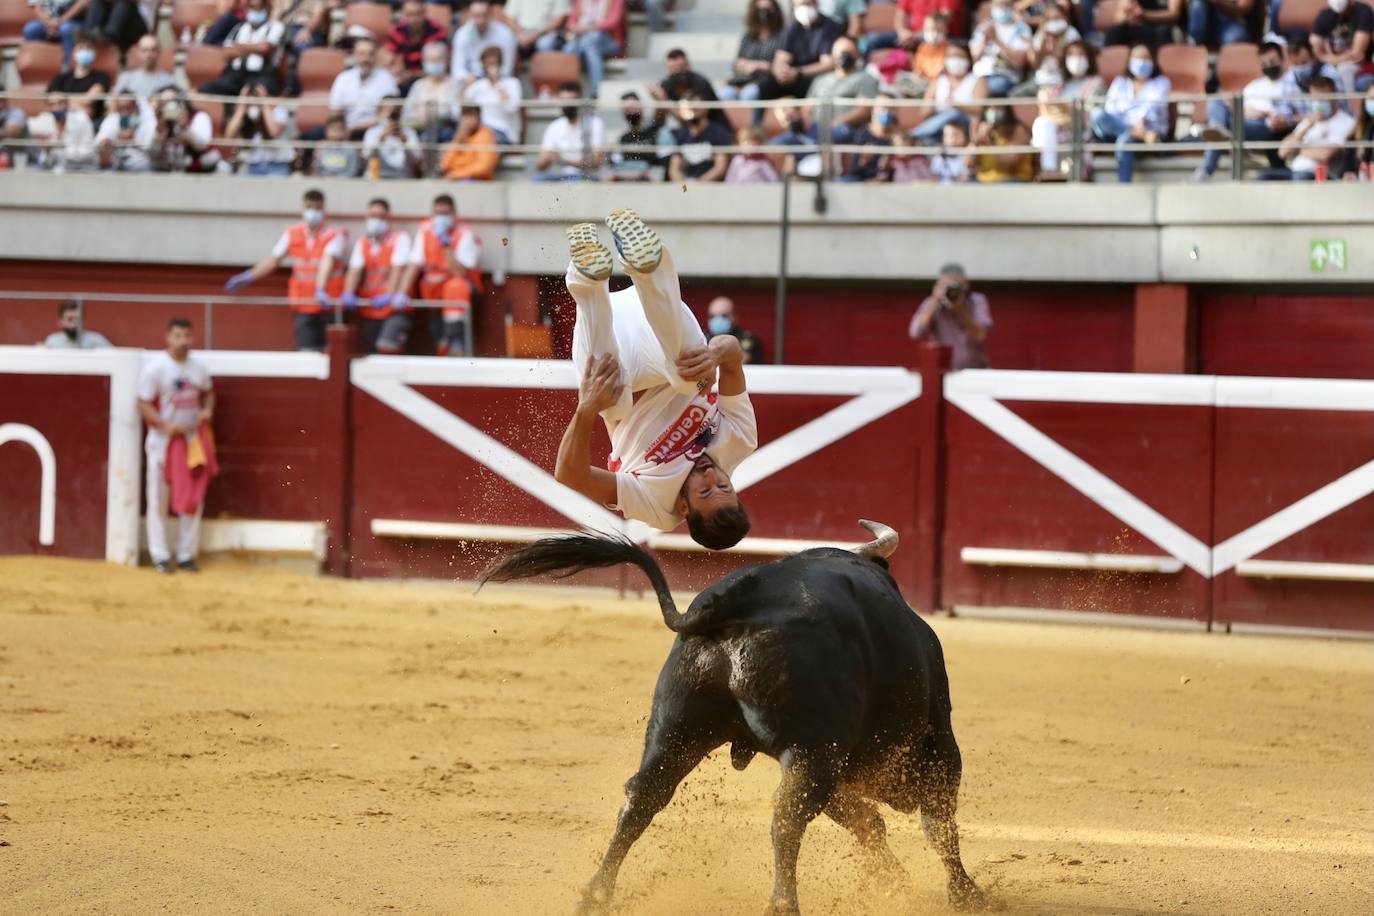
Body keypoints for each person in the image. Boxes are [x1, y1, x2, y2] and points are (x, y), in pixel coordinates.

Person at [555, 210, 756, 548]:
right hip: (657, 328)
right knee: (689, 377)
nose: (712, 476)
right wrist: (715, 355)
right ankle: (645, 265)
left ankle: (587, 278)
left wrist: (586, 409)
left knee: (612, 398)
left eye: (706, 491)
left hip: (613, 349)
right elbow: (732, 350)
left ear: (683, 507)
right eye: (725, 486)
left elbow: (569, 476)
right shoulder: (741, 441)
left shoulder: (655, 506)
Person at [222, 188, 348, 352]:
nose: (313, 212)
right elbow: (274, 260)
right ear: (303, 209)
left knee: (332, 354)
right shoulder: (293, 233)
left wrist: (320, 288)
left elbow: (327, 261)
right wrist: (248, 276)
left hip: (329, 303)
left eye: (317, 208)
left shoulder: (334, 235)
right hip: (304, 305)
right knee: (306, 353)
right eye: (309, 207)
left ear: (323, 209)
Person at [137, 317, 215, 575]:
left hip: (191, 441)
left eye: (187, 336)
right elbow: (143, 403)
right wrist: (164, 425)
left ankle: (185, 554)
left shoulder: (199, 368)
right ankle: (160, 555)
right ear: (167, 338)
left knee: (192, 497)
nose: (183, 342)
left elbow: (209, 392)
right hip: (163, 441)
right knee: (159, 498)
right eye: (178, 336)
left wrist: (207, 411)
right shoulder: (156, 368)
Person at [1192, 41, 1292, 179]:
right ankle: (1218, 128)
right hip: (1242, 120)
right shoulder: (1256, 85)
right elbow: (1239, 107)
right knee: (1217, 102)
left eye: (1272, 61)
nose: (1269, 66)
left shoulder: (1290, 82)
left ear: (1282, 60)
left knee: (1223, 130)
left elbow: (1283, 116)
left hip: (1265, 127)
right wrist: (1238, 107)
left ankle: (1206, 170)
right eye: (1265, 63)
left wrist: (1260, 113)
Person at [401, 193, 483, 357]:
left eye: (445, 214)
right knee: (438, 334)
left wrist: (446, 245)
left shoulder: (465, 234)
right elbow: (414, 264)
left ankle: (456, 341)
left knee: (455, 287)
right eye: (438, 214)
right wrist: (400, 293)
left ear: (454, 214)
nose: (441, 218)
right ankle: (444, 345)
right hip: (434, 292)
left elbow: (459, 273)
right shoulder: (425, 230)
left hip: (460, 293)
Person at [342, 198, 413, 354]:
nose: (376, 221)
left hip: (394, 308)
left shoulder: (399, 239)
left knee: (387, 347)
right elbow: (354, 271)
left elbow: (398, 269)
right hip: (371, 309)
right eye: (373, 216)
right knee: (369, 354)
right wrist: (348, 292)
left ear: (389, 219)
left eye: (381, 217)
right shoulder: (363, 243)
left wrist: (390, 294)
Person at [1091, 42, 1169, 183]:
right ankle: (1140, 135)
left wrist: (1141, 122)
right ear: (1129, 61)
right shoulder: (1120, 82)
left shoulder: (1162, 82)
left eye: (1145, 58)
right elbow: (1110, 110)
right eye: (1137, 58)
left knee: (1125, 140)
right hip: (1126, 132)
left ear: (1153, 61)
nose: (1141, 62)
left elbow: (1154, 107)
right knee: (1097, 114)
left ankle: (1124, 189)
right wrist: (1137, 131)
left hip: (1148, 130)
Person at [1030, 40, 1102, 174]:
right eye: (1071, 55)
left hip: (1080, 130)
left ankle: (1050, 169)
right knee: (1042, 122)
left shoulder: (1096, 83)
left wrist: (1066, 108)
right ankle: (1048, 170)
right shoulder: (1060, 85)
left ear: (1089, 59)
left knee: (1044, 124)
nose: (1076, 59)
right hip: (1056, 127)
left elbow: (1092, 114)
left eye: (1080, 55)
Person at [1268, 74, 1356, 178]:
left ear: (1334, 97)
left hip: (1321, 176)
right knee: (1262, 178)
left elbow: (1325, 156)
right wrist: (1308, 126)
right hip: (1295, 172)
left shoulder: (1347, 122)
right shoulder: (1308, 121)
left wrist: (1298, 148)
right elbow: (1283, 152)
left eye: (1322, 98)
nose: (1318, 102)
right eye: (1314, 98)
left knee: (1301, 177)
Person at [908, 264, 990, 369]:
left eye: (956, 287)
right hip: (943, 371)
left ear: (966, 285)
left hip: (974, 370)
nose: (951, 292)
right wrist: (934, 302)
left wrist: (959, 310)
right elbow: (916, 333)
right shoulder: (932, 302)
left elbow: (980, 336)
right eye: (946, 287)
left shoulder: (976, 300)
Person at [533, 0, 624, 93]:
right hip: (582, 39)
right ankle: (568, 90)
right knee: (570, 48)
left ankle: (596, 90)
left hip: (607, 40)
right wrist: (576, 28)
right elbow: (570, 23)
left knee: (590, 42)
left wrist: (588, 29)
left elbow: (613, 22)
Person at [198, 0, 284, 96]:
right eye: (251, 7)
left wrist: (239, 47)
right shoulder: (239, 27)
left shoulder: (274, 27)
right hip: (235, 76)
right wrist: (253, 48)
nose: (254, 11)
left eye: (258, 8)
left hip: (260, 76)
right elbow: (226, 52)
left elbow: (266, 48)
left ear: (267, 9)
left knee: (259, 93)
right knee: (206, 89)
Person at [806, 36, 880, 143]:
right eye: (840, 52)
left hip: (846, 129)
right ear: (833, 54)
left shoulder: (865, 78)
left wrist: (836, 122)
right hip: (816, 128)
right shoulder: (820, 80)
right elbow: (806, 108)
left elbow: (863, 110)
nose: (844, 56)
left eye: (849, 52)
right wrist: (809, 126)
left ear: (857, 54)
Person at [766, 0, 843, 98]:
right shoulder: (791, 29)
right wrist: (781, 72)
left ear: (816, 4)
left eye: (807, 4)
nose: (804, 8)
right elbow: (780, 59)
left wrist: (799, 72)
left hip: (815, 77)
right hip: (792, 77)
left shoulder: (830, 26)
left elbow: (828, 64)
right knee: (765, 86)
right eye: (800, 5)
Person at [328, 38, 400, 138]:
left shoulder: (387, 79)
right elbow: (336, 112)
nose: (366, 59)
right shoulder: (343, 78)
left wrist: (357, 128)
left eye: (370, 54)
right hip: (346, 131)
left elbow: (390, 112)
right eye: (361, 54)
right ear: (354, 55)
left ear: (376, 56)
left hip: (376, 131)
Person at [912, 42, 986, 139]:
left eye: (959, 56)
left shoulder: (977, 81)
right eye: (951, 56)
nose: (955, 60)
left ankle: (914, 135)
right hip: (940, 127)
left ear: (968, 59)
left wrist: (957, 105)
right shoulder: (938, 80)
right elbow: (923, 112)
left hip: (966, 125)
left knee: (953, 113)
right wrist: (931, 106)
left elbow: (980, 110)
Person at [720, 0, 785, 106]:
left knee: (749, 94)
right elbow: (738, 61)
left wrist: (760, 66)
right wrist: (742, 65)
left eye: (767, 9)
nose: (764, 13)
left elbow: (783, 65)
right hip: (742, 80)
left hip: (765, 83)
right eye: (760, 9)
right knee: (725, 94)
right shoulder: (748, 37)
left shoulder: (782, 36)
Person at [536, 81, 606, 180]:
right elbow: (540, 166)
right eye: (563, 100)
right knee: (536, 181)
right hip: (563, 178)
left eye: (570, 100)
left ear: (579, 101)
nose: (567, 105)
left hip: (588, 177)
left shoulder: (595, 123)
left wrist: (563, 160)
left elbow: (595, 162)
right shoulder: (554, 126)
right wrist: (549, 157)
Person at [647, 49, 730, 129]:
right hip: (687, 131)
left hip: (713, 129)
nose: (677, 72)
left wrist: (665, 101)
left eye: (681, 68)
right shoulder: (667, 84)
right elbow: (658, 120)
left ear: (688, 66)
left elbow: (693, 118)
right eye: (673, 69)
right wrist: (657, 101)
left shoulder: (700, 83)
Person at [227, 82, 294, 175]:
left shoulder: (279, 110)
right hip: (252, 166)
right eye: (250, 102)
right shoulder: (245, 114)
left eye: (256, 101)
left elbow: (273, 132)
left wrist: (264, 104)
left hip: (277, 166)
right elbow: (229, 135)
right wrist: (242, 106)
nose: (253, 106)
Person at [461, 46, 523, 144]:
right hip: (479, 131)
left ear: (500, 64)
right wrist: (465, 86)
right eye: (488, 64)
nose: (491, 67)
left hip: (504, 132)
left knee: (484, 139)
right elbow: (459, 108)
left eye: (494, 63)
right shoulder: (478, 85)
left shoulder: (513, 83)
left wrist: (498, 84)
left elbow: (511, 109)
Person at [969, 0, 1032, 96]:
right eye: (1000, 4)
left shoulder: (1022, 29)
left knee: (987, 89)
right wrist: (985, 41)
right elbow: (973, 57)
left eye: (1007, 4)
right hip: (978, 76)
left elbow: (1020, 62)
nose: (1003, 8)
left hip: (1005, 76)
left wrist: (997, 40)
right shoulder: (983, 27)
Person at [668, 93, 733, 181]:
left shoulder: (718, 132)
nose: (692, 108)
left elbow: (720, 167)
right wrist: (684, 188)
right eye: (689, 105)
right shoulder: (682, 133)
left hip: (710, 187)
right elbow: (674, 169)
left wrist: (699, 185)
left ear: (706, 108)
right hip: (686, 187)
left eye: (696, 105)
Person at [404, 41, 461, 143]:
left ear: (446, 61)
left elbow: (456, 114)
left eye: (438, 59)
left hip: (447, 133)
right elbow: (407, 114)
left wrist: (434, 116)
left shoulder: (455, 85)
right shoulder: (418, 85)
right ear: (424, 62)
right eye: (430, 60)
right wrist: (418, 117)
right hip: (420, 132)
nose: (434, 63)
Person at [1312, 0, 1374, 92]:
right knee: (1321, 77)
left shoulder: (1362, 12)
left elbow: (1358, 53)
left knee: (1345, 70)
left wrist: (1332, 59)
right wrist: (1329, 59)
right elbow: (1315, 44)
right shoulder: (1326, 14)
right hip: (1331, 63)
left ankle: (1350, 105)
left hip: (1358, 65)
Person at [452, 1, 518, 79]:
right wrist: (469, 78)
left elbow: (507, 68)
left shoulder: (505, 34)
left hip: (498, 80)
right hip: (470, 82)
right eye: (477, 16)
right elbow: (457, 69)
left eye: (484, 15)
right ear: (470, 15)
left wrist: (491, 80)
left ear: (491, 14)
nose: (480, 20)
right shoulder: (462, 34)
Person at [386, 0, 448, 80]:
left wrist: (415, 75)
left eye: (418, 14)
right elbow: (392, 61)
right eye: (409, 15)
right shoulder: (397, 31)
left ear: (425, 13)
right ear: (402, 14)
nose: (414, 19)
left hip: (432, 76)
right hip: (405, 77)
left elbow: (442, 61)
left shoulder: (437, 30)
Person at [361, 97, 421, 178]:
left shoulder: (409, 132)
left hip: (402, 178)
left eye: (396, 111)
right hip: (377, 178)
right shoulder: (372, 132)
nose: (392, 115)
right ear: (380, 112)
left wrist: (405, 142)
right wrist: (380, 139)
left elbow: (416, 159)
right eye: (388, 110)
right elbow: (366, 156)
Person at [95, 93, 156, 171]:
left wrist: (133, 140)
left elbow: (152, 149)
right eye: (121, 109)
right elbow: (100, 142)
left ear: (135, 106)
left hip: (141, 166)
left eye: (128, 108)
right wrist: (110, 142)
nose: (125, 112)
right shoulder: (113, 119)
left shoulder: (148, 121)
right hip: (115, 166)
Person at [841, 102, 900, 181]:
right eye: (883, 108)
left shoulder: (899, 136)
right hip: (863, 180)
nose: (886, 112)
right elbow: (854, 169)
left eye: (890, 108)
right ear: (873, 110)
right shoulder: (862, 134)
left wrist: (890, 166)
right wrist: (864, 160)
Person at [973, 104, 1033, 181]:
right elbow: (968, 165)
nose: (993, 111)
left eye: (997, 107)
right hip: (983, 183)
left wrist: (992, 143)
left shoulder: (1019, 131)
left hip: (1011, 181)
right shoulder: (982, 131)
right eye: (989, 108)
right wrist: (975, 142)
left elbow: (1008, 165)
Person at [440, 105, 501, 179]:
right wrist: (457, 141)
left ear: (479, 118)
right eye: (465, 117)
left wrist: (455, 175)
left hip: (474, 180)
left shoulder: (485, 135)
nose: (468, 121)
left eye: (471, 116)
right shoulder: (459, 136)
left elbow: (483, 168)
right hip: (455, 178)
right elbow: (444, 165)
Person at [610, 92, 660, 179]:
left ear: (641, 107)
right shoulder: (624, 138)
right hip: (629, 180)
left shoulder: (655, 131)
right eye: (626, 108)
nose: (630, 110)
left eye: (632, 106)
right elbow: (617, 164)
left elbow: (663, 165)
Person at [47, 33, 112, 99]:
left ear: (95, 52)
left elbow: (89, 100)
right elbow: (50, 99)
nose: (85, 51)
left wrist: (63, 99)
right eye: (81, 48)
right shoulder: (61, 78)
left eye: (89, 48)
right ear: (73, 53)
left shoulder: (101, 77)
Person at [23, 0, 86, 65]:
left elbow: (85, 2)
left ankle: (69, 68)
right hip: (48, 22)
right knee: (31, 29)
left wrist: (62, 20)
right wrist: (48, 23)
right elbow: (35, 5)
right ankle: (34, 67)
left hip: (75, 20)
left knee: (66, 29)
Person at [706, 296, 763, 363]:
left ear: (735, 317)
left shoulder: (747, 338)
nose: (718, 320)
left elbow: (742, 360)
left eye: (724, 316)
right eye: (712, 316)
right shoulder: (704, 339)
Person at [1102, 0, 1182, 47]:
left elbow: (1173, 14)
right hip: (1140, 27)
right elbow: (1118, 18)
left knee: (1163, 32)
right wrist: (1127, 16)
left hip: (1163, 26)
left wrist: (1144, 14)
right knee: (1113, 32)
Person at [505, 0, 569, 54]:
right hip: (521, 31)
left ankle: (543, 68)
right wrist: (520, 34)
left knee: (545, 44)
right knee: (507, 39)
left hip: (546, 33)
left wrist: (537, 34)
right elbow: (509, 18)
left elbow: (560, 19)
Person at [82, 0, 151, 49]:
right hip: (113, 27)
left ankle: (108, 37)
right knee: (97, 1)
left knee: (124, 2)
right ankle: (88, 35)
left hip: (138, 30)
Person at [43, 300, 111, 348]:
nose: (74, 324)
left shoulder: (96, 340)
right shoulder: (52, 342)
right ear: (61, 322)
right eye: (70, 319)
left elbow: (115, 358)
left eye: (77, 319)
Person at [1187, 0, 1254, 48]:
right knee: (1197, 4)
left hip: (1231, 22)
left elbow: (1242, 8)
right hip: (1204, 25)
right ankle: (1194, 42)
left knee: (1233, 40)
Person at [1342, 82, 1374, 175]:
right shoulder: (1355, 133)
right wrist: (1348, 174)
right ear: (1364, 102)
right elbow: (1347, 168)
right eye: (1371, 99)